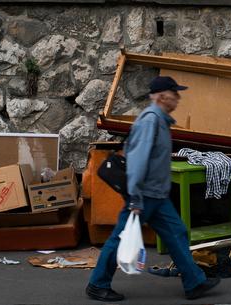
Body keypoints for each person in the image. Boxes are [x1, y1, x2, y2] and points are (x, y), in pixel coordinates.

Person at [86, 76, 220, 301]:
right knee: (120, 238)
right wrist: (136, 198)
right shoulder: (150, 121)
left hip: (156, 195)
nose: (178, 97)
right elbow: (138, 162)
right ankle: (97, 284)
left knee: (177, 233)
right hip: (144, 195)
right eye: (174, 93)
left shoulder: (161, 121)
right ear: (162, 96)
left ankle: (194, 282)